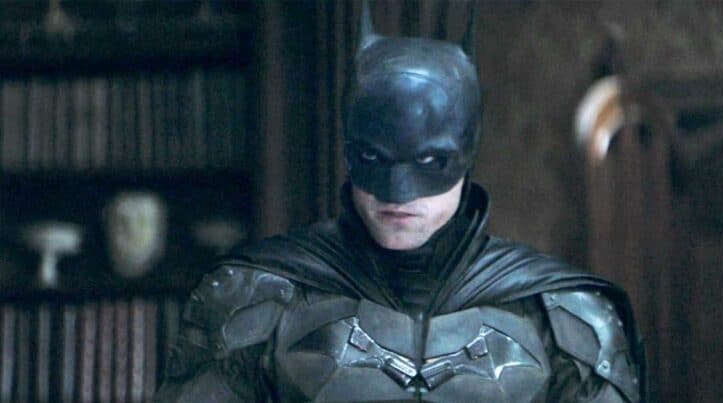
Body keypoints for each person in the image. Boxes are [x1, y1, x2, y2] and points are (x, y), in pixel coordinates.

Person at [155, 2, 645, 402]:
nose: (398, 194)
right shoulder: (252, 299)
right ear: (350, 153)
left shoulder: (565, 316)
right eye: (375, 159)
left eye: (429, 163)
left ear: (466, 155)